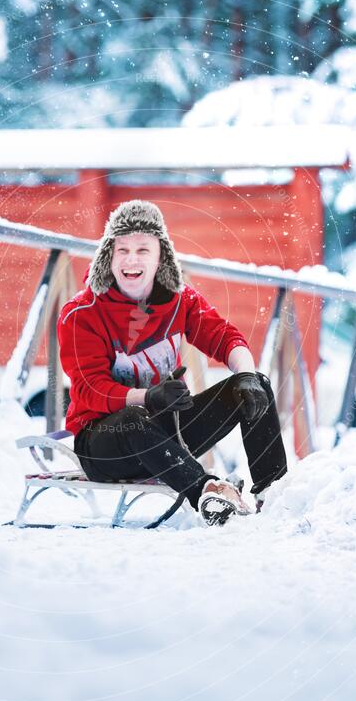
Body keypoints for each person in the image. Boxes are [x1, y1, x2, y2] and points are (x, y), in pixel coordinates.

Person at [57, 199, 287, 525]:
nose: (131, 260)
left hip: (170, 434)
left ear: (160, 254)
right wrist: (148, 396)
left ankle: (274, 495)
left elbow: (223, 336)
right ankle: (207, 492)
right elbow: (90, 388)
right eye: (122, 250)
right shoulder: (81, 314)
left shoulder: (181, 300)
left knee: (254, 385)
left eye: (143, 250)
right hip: (103, 444)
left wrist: (247, 374)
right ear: (108, 255)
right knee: (135, 417)